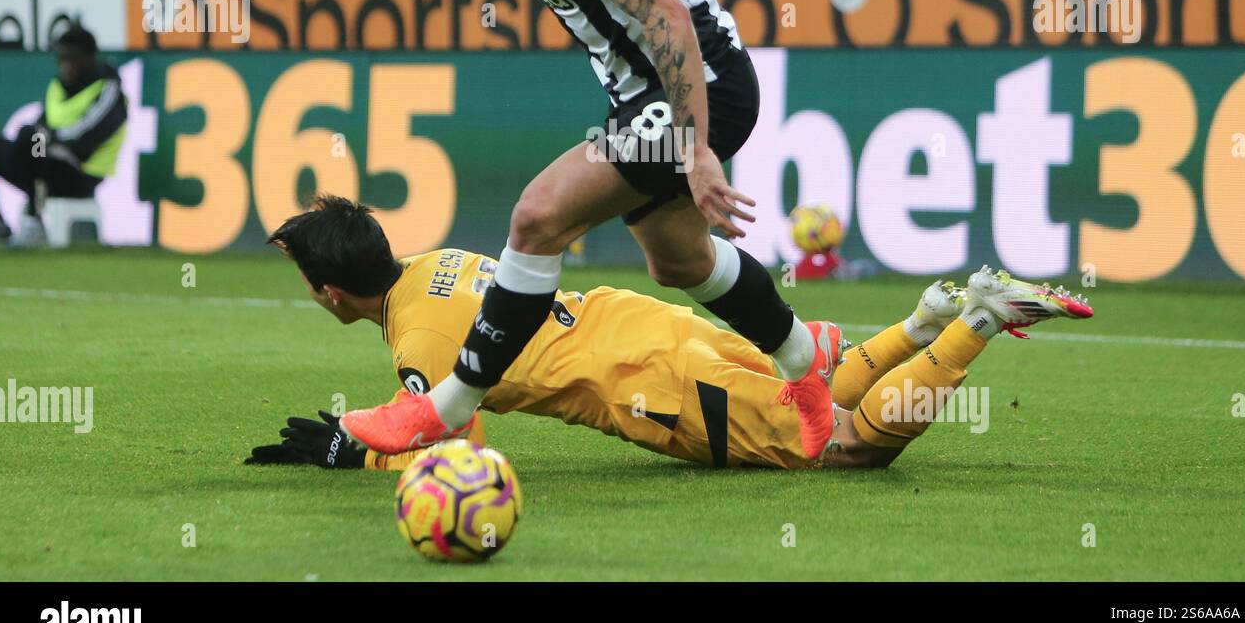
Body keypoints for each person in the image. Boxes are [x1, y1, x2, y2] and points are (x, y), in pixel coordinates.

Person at [328, 0, 836, 458]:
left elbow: (668, 15)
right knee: (681, 262)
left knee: (538, 218)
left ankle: (442, 407)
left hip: (698, 82)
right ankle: (810, 365)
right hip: (646, 95)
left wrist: (696, 149)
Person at [246, 196, 1093, 470]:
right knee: (812, 397)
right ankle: (929, 318)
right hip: (654, 324)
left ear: (329, 294)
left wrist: (349, 448)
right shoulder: (437, 261)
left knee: (842, 447)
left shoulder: (415, 344)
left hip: (650, 385)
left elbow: (449, 430)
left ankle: (979, 318)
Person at [0, 24, 127, 247]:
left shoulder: (108, 90)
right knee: (18, 140)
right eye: (61, 58)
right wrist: (44, 136)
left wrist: (48, 137)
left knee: (32, 139)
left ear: (89, 58)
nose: (66, 65)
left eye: (72, 59)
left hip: (80, 174)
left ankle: (34, 221)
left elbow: (85, 140)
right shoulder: (56, 87)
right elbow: (41, 125)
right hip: (44, 166)